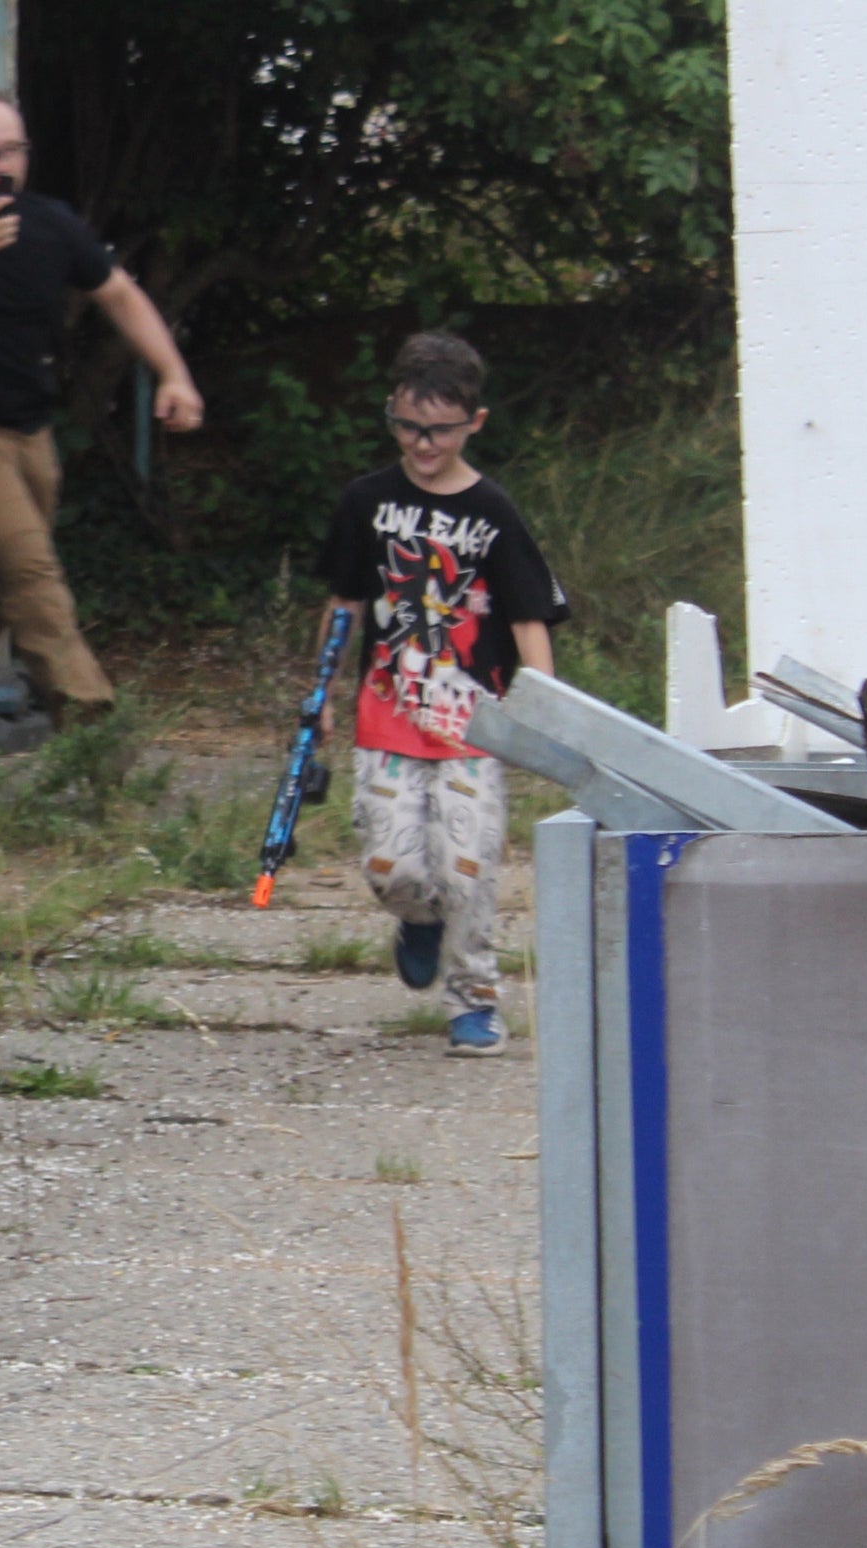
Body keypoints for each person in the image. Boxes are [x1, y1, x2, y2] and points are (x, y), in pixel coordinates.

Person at [0, 90, 203, 730]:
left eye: (10, 150)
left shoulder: (52, 224)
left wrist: (173, 372)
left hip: (28, 431)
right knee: (29, 568)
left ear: (25, 155)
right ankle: (91, 728)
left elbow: (119, 294)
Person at [312, 331, 569, 1058]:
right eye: (407, 426)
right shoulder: (365, 502)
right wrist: (319, 692)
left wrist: (545, 711)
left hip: (472, 725)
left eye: (441, 430)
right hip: (385, 715)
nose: (423, 445)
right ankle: (418, 920)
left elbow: (528, 617)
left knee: (467, 869)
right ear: (391, 413)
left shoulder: (494, 512)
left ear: (475, 422)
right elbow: (344, 604)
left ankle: (474, 999)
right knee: (391, 868)